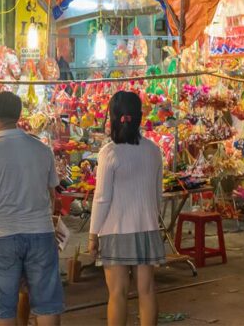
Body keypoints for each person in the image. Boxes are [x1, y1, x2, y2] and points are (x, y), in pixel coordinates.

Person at [0, 91, 64, 326]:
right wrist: (48, 222)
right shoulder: (42, 149)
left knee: (3, 308)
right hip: (41, 233)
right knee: (46, 303)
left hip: (1, 236)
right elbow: (52, 195)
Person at [88, 91, 165, 326]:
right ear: (139, 117)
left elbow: (102, 198)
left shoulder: (109, 152)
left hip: (115, 229)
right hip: (147, 227)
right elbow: (157, 193)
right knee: (148, 291)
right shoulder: (153, 150)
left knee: (117, 294)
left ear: (112, 117)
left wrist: (93, 234)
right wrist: (153, 219)